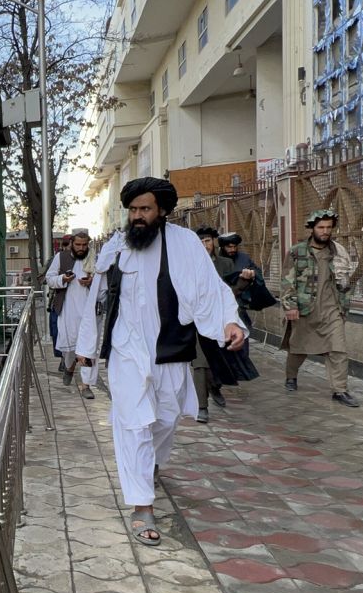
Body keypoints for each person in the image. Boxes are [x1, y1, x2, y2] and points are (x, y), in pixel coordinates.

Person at [74, 177, 245, 547]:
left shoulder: (185, 245)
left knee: (165, 419)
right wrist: (86, 347)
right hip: (127, 352)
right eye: (132, 210)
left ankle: (148, 466)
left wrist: (228, 323)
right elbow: (97, 301)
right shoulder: (117, 248)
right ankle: (141, 505)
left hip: (170, 351)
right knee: (133, 423)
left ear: (162, 211)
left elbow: (210, 290)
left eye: (145, 209)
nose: (137, 217)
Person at [282, 209, 359, 407]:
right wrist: (290, 305)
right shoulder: (297, 252)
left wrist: (344, 303)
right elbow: (288, 281)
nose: (325, 231)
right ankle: (291, 376)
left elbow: (345, 280)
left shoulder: (337, 252)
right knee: (298, 348)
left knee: (338, 350)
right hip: (304, 308)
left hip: (332, 308)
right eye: (321, 227)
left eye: (328, 227)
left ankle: (340, 390)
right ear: (312, 228)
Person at [192, 227, 258, 423]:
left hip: (222, 318)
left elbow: (232, 292)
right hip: (196, 320)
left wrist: (244, 282)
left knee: (220, 359)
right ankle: (201, 406)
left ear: (214, 242)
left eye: (208, 241)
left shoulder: (226, 264)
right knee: (200, 363)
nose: (205, 245)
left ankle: (214, 386)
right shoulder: (188, 265)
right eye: (201, 242)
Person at [45, 229, 99, 399]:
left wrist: (92, 282)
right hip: (67, 310)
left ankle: (86, 385)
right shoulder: (61, 258)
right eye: (78, 245)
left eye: (84, 245)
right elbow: (49, 278)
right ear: (72, 244)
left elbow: (103, 281)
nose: (81, 248)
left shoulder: (94, 258)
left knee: (89, 347)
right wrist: (63, 279)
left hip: (90, 311)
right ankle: (69, 368)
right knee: (69, 348)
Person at [48, 234, 74, 368]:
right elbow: (49, 279)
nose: (68, 247)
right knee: (57, 331)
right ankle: (63, 358)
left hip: (76, 303)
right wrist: (62, 278)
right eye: (66, 244)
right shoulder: (56, 259)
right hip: (58, 301)